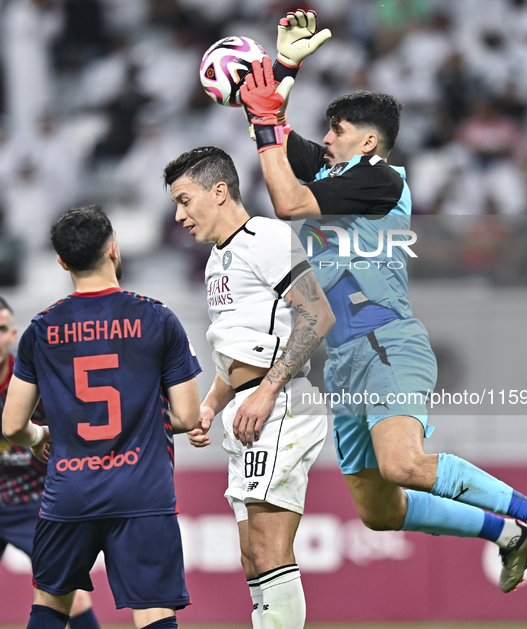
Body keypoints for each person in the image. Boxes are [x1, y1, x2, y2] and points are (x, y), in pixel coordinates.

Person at [237, 15, 527, 594]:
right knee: (379, 509)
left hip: (386, 342)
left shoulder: (378, 178)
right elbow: (268, 128)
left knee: (403, 463)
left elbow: (288, 200)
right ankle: (506, 535)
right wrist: (284, 71)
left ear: (367, 140)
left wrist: (269, 118)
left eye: (337, 129)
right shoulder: (336, 171)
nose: (326, 138)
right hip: (345, 359)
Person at [2, 205, 201, 629]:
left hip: (69, 490)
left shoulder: (41, 329)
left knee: (52, 603)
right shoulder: (157, 318)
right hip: (142, 492)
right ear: (113, 249)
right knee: (153, 609)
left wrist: (40, 439)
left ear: (61, 261)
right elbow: (185, 416)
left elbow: (11, 426)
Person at [163, 146, 334, 629]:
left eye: (184, 199)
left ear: (219, 191)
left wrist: (267, 391)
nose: (179, 215)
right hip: (247, 410)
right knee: (251, 556)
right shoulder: (218, 259)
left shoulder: (266, 237)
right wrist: (212, 405)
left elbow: (317, 315)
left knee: (267, 547)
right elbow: (239, 351)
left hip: (277, 405)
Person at [0, 297, 102, 629]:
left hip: (35, 504)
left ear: (13, 333)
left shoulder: (33, 382)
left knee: (67, 595)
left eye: (1, 329)